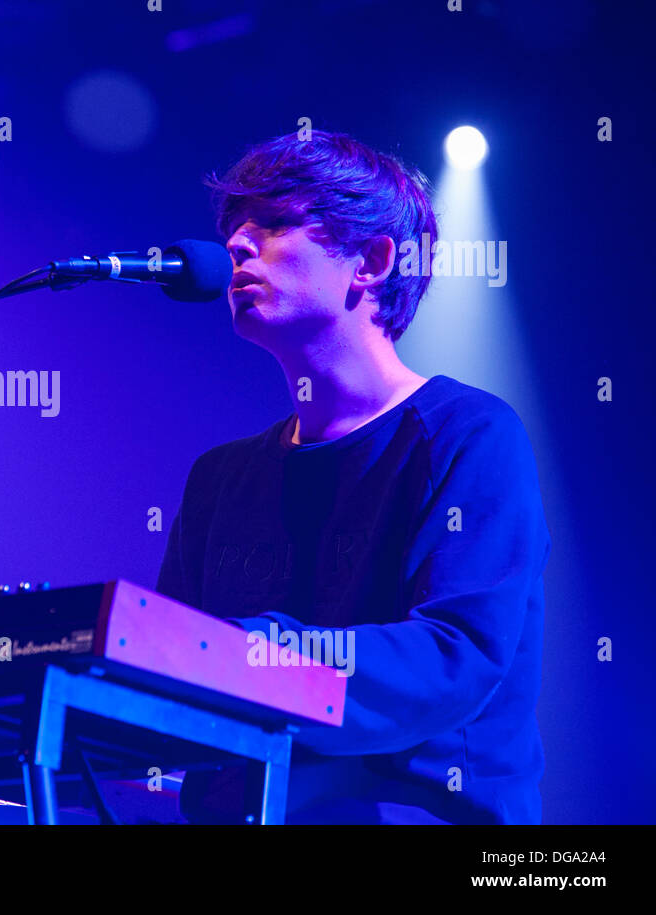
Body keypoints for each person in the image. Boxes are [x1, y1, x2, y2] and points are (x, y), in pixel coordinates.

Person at [156, 130, 550, 824]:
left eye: (274, 223)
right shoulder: (218, 478)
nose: (238, 247)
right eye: (234, 228)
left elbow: (452, 654)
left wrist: (244, 652)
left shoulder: (471, 434)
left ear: (371, 260)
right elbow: (167, 673)